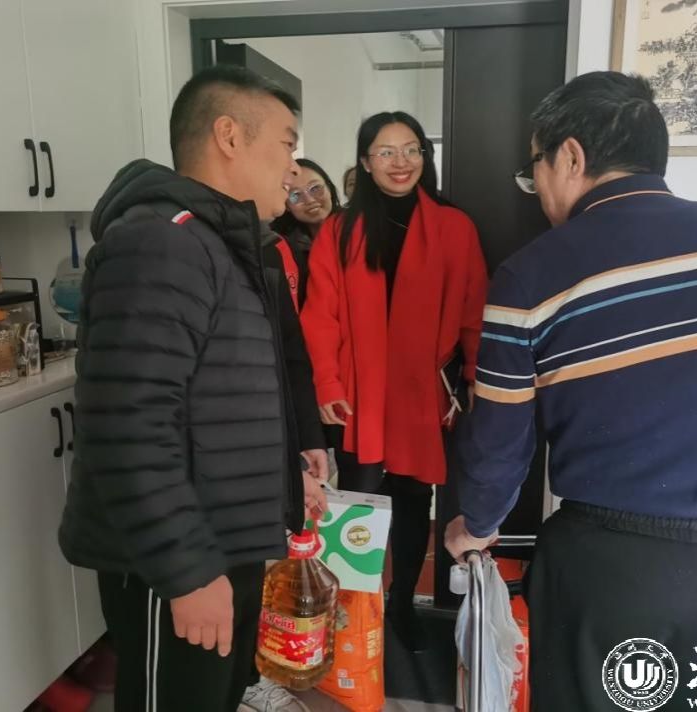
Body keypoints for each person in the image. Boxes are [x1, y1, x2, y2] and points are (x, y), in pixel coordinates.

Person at [445, 71, 697, 711]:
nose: (537, 188)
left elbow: (500, 442)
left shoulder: (532, 274)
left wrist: (475, 525)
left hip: (615, 568)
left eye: (534, 168)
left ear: (571, 156)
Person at [59, 65, 327, 712]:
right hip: (177, 558)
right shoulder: (161, 243)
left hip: (223, 538)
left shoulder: (223, 244)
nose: (293, 169)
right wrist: (187, 572)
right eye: (286, 144)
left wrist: (291, 477)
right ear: (229, 136)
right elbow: (129, 426)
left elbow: (230, 399)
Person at [300, 111, 488, 652]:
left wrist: (473, 377)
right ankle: (357, 609)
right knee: (357, 501)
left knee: (411, 502)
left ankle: (402, 603)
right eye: (386, 152)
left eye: (411, 150)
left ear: (425, 157)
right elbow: (320, 315)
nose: (400, 162)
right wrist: (327, 384)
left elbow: (474, 310)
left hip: (419, 393)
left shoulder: (454, 227)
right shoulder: (340, 231)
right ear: (365, 161)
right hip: (358, 393)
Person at [270, 158, 342, 310]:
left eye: (315, 188)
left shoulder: (357, 230)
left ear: (329, 187)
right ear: (287, 205)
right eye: (295, 195)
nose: (309, 200)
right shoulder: (283, 247)